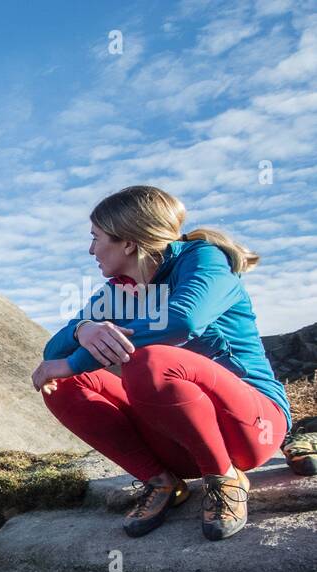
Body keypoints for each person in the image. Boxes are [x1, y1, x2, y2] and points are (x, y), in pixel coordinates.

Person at [33, 185, 290, 541]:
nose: (91, 249)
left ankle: (226, 478)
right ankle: (162, 482)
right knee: (59, 382)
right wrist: (83, 329)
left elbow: (182, 321)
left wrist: (76, 360)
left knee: (151, 361)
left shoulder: (204, 261)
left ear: (127, 242)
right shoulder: (120, 291)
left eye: (96, 238)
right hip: (181, 442)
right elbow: (52, 352)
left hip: (250, 427)